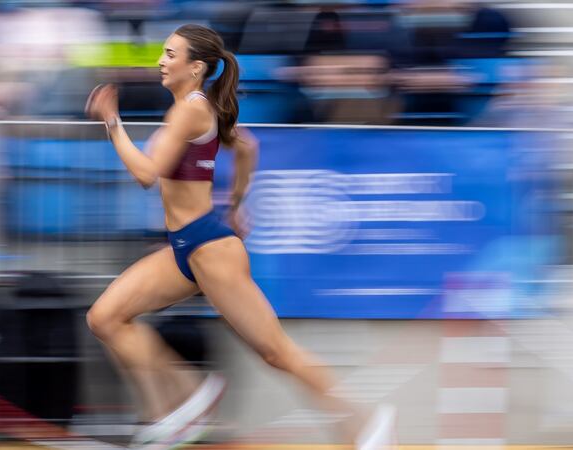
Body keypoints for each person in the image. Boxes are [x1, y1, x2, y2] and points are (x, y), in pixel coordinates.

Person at [85, 24, 396, 449]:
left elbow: (145, 174)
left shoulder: (190, 110)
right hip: (185, 249)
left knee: (275, 351)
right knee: (105, 318)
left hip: (209, 248)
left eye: (171, 54)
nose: (161, 60)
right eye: (163, 52)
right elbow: (247, 148)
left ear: (195, 67)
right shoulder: (198, 108)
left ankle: (364, 420)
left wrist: (112, 121)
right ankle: (184, 399)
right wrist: (237, 203)